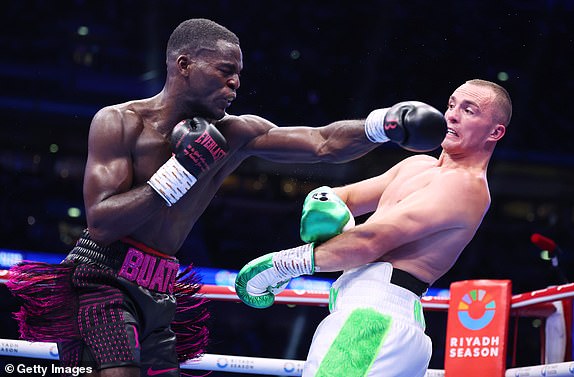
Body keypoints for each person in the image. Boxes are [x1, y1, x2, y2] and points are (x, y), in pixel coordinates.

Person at [6, 18, 447, 377]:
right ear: (183, 65)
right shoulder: (120, 122)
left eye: (238, 74)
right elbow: (103, 221)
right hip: (101, 276)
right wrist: (185, 169)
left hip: (159, 286)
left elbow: (324, 143)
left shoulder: (235, 132)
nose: (235, 83)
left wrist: (383, 125)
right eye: (224, 71)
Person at [235, 79, 512, 377]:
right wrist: (323, 201)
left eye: (469, 111)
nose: (452, 115)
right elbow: (347, 197)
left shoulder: (466, 186)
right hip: (374, 317)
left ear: (495, 132)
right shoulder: (417, 165)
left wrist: (282, 264)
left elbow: (372, 240)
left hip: (374, 319)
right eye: (451, 105)